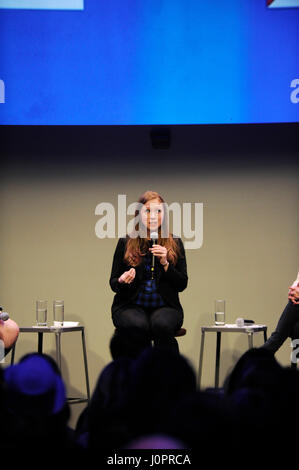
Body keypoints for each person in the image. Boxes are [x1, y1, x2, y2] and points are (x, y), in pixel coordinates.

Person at [109, 190, 188, 353]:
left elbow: (182, 284)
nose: (153, 216)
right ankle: (136, 373)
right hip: (129, 306)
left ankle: (168, 372)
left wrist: (166, 264)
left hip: (166, 307)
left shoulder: (175, 242)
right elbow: (113, 283)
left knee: (161, 325)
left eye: (158, 211)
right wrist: (122, 280)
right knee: (138, 326)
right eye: (148, 211)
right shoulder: (126, 242)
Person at [262, 271, 299, 354]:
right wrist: (293, 291)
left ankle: (252, 361)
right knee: (293, 332)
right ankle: (253, 361)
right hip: (295, 301)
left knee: (277, 338)